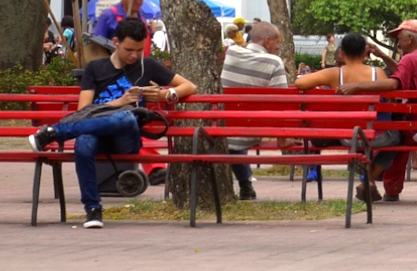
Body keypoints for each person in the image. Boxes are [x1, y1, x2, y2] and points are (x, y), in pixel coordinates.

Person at [29, 17, 197, 229]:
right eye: (129, 49)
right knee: (84, 142)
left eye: (138, 50)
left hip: (127, 138)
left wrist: (165, 95)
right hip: (96, 134)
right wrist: (120, 101)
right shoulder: (95, 69)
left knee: (127, 117)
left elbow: (189, 86)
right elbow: (83, 111)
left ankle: (55, 133)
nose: (134, 55)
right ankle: (92, 209)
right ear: (116, 42)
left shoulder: (148, 66)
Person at [339, 19, 417, 201]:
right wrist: (382, 55)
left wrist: (357, 86)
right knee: (394, 133)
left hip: (415, 129)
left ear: (409, 39)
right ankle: (371, 181)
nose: (397, 43)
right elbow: (403, 72)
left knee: (394, 137)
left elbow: (394, 82)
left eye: (399, 39)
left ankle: (382, 186)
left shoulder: (410, 59)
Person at [219, 19, 291, 200]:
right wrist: (282, 138)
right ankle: (246, 186)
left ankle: (246, 185)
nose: (278, 47)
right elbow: (281, 104)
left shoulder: (231, 52)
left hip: (222, 125)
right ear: (267, 41)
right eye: (277, 42)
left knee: (235, 125)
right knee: (241, 125)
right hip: (253, 128)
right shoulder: (274, 62)